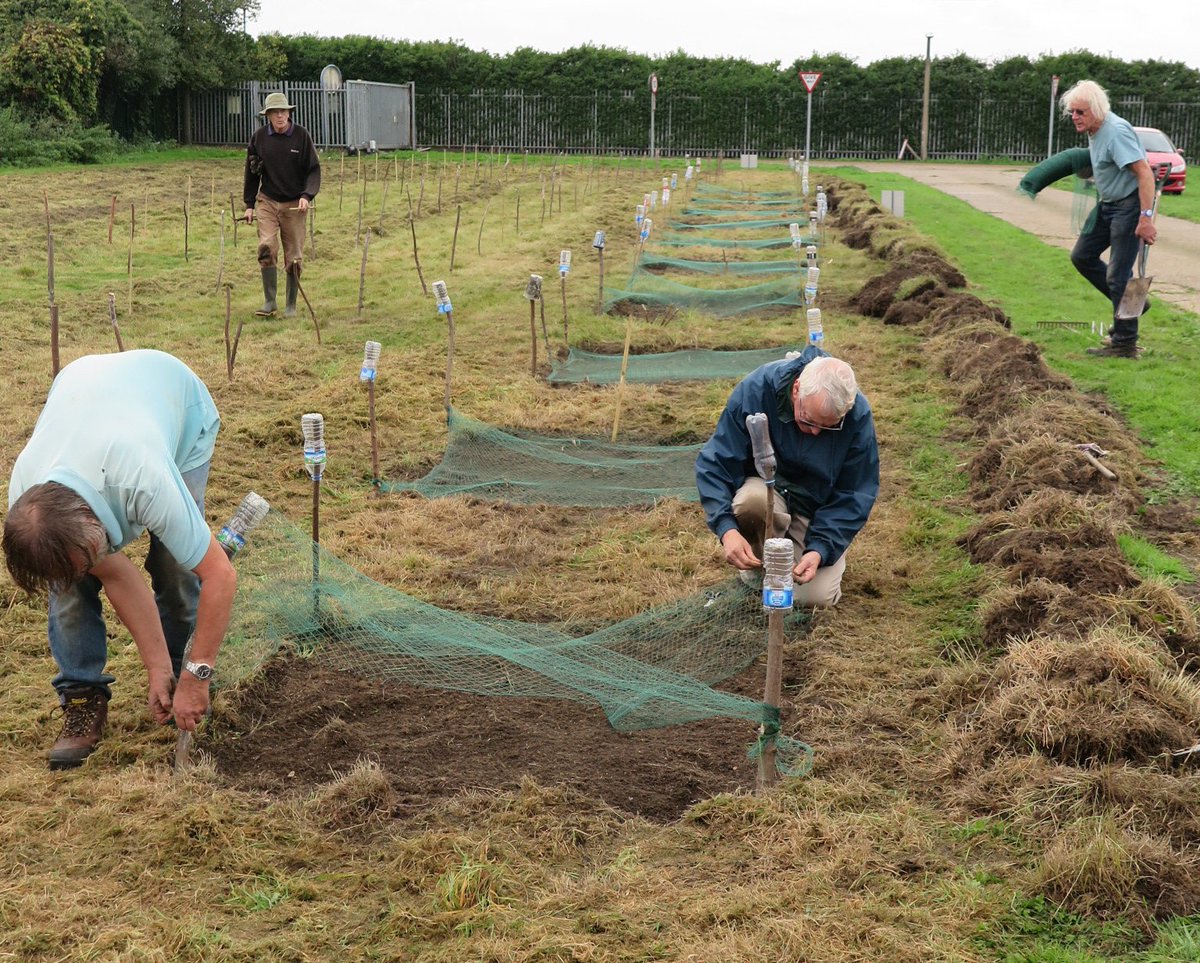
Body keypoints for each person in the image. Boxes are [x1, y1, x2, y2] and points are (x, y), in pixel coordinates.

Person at [3, 350, 237, 770]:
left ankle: (190, 676)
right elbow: (116, 574)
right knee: (69, 589)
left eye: (90, 556)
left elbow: (220, 575)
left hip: (175, 400)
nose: (97, 565)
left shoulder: (145, 478)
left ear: (94, 527)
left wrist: (194, 676)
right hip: (84, 389)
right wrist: (155, 667)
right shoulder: (27, 500)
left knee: (176, 568)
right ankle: (82, 696)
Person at [695, 348, 880, 608]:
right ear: (796, 391)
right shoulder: (756, 390)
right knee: (751, 503)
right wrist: (727, 530)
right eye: (808, 421)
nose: (815, 432)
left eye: (827, 427)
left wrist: (820, 549)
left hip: (816, 508)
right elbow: (716, 462)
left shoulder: (856, 414)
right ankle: (759, 565)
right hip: (767, 490)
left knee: (813, 598)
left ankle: (805, 551)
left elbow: (854, 492)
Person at [1061, 79, 1159, 359]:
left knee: (1119, 276)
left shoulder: (1115, 132)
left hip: (1128, 207)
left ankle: (1125, 344)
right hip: (1107, 205)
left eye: (1081, 112)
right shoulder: (1096, 130)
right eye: (1072, 113)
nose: (1075, 118)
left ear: (1097, 109)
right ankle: (1133, 303)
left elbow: (1144, 173)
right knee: (1082, 256)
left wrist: (1146, 217)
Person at [243, 91, 321, 319]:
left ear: (289, 112)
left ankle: (290, 305)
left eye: (283, 111)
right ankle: (269, 302)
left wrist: (307, 195)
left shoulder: (301, 137)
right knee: (266, 245)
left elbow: (313, 170)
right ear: (267, 115)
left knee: (294, 256)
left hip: (295, 203)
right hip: (267, 200)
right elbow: (251, 171)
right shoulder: (259, 138)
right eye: (275, 112)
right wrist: (249, 204)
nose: (280, 116)